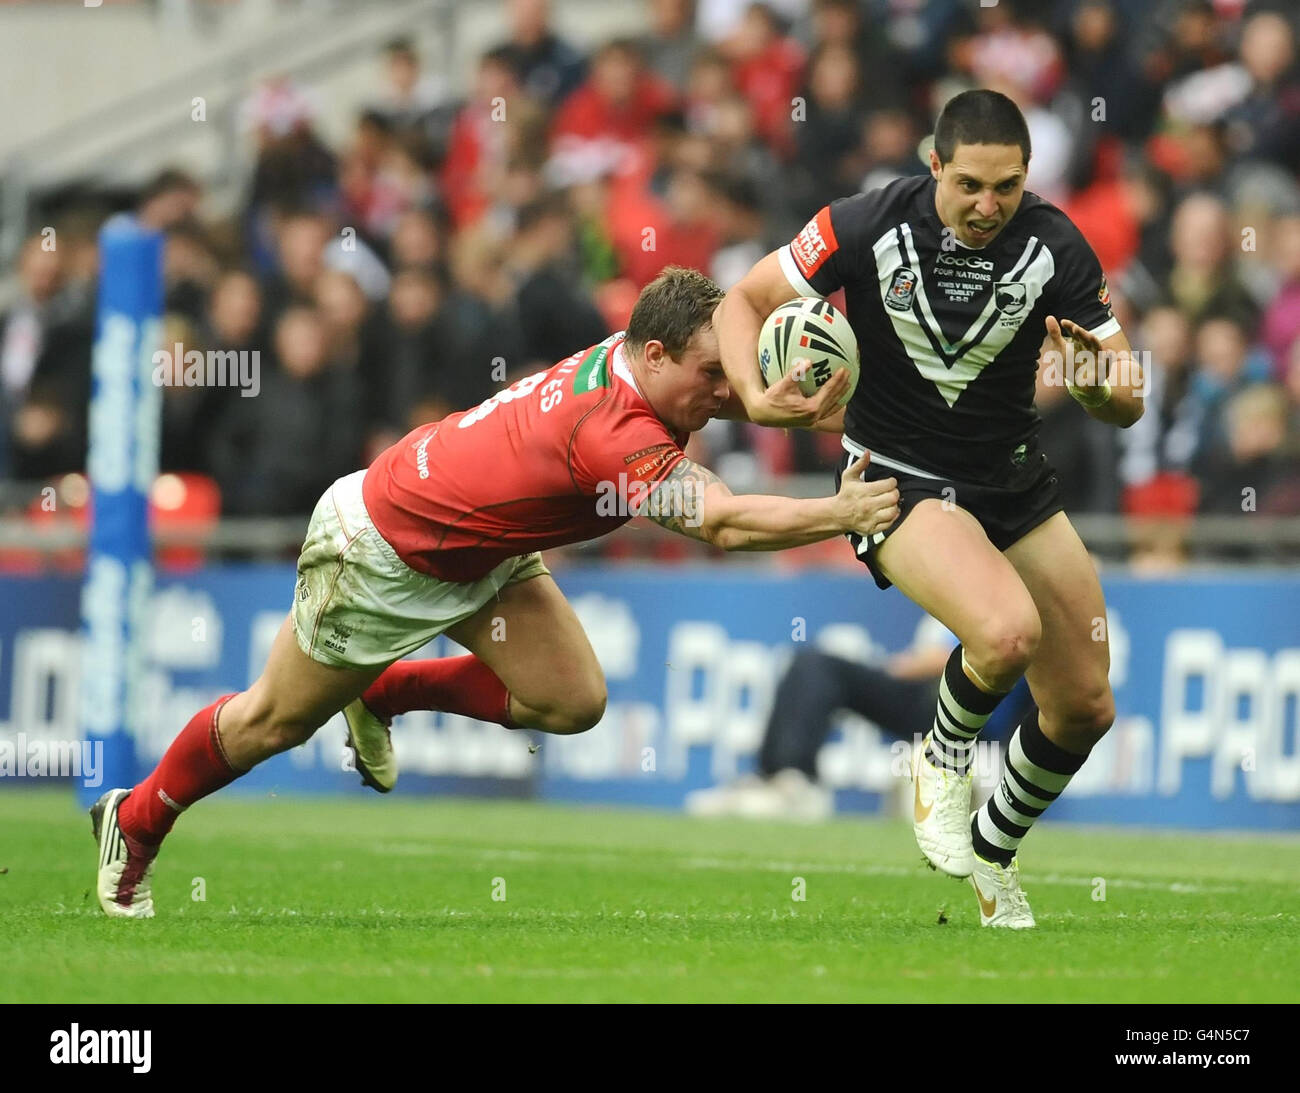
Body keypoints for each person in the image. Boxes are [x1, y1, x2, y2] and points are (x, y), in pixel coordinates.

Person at [91, 266, 900, 919]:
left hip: (483, 549)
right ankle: (134, 824)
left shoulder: (643, 360)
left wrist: (780, 401)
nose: (726, 393)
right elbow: (720, 522)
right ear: (652, 355)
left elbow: (712, 420)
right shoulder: (611, 428)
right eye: (713, 375)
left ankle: (382, 691)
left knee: (573, 698)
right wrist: (838, 511)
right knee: (274, 718)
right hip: (385, 547)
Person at [714, 89, 1145, 928]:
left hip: (1013, 481)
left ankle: (994, 849)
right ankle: (941, 760)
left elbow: (1125, 386)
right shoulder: (864, 222)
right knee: (1004, 633)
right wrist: (756, 398)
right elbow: (743, 300)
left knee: (1086, 706)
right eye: (971, 185)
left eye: (1008, 187)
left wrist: (1103, 391)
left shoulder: (1057, 243)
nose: (989, 206)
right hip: (897, 480)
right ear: (935, 165)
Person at [685, 616, 1035, 821]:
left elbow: (950, 656)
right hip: (930, 701)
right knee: (813, 665)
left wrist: (894, 668)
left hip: (977, 715)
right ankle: (784, 779)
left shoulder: (1013, 592)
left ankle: (789, 782)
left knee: (822, 667)